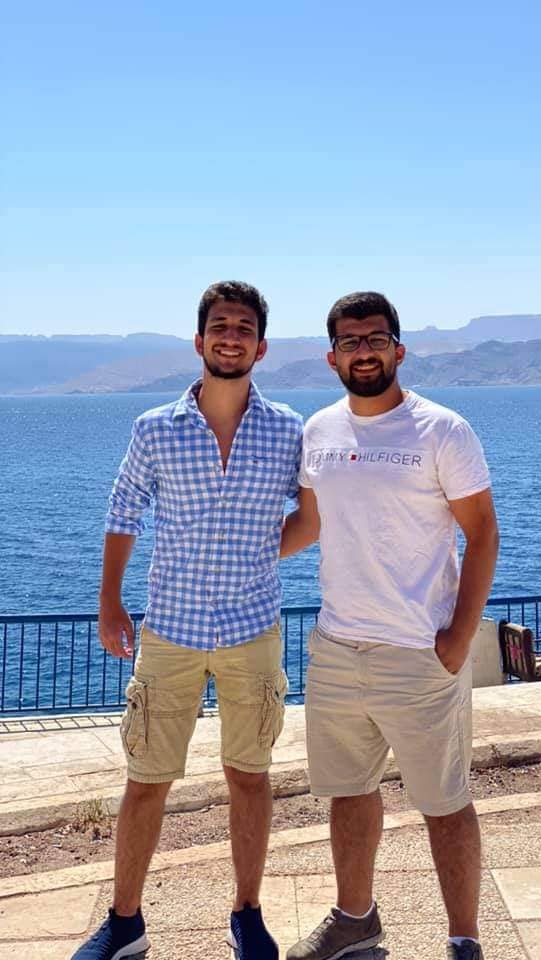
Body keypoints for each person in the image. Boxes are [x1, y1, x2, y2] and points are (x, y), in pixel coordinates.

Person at [71, 281, 302, 960]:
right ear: (200, 341)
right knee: (146, 780)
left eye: (244, 328)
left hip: (252, 630)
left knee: (250, 777)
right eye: (220, 326)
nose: (231, 337)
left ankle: (247, 914)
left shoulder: (288, 430)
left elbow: (314, 516)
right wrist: (109, 600)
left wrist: (256, 550)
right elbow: (123, 510)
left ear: (261, 347)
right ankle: (124, 922)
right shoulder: (154, 428)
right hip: (169, 630)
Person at [281, 292, 499, 960]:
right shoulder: (319, 432)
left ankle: (463, 938)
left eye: (375, 339)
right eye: (350, 342)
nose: (364, 352)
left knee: (445, 802)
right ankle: (356, 920)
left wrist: (459, 637)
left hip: (419, 652)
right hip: (337, 647)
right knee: (348, 794)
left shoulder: (443, 431)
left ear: (398, 349)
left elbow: (483, 533)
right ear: (332, 358)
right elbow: (309, 524)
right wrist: (231, 551)